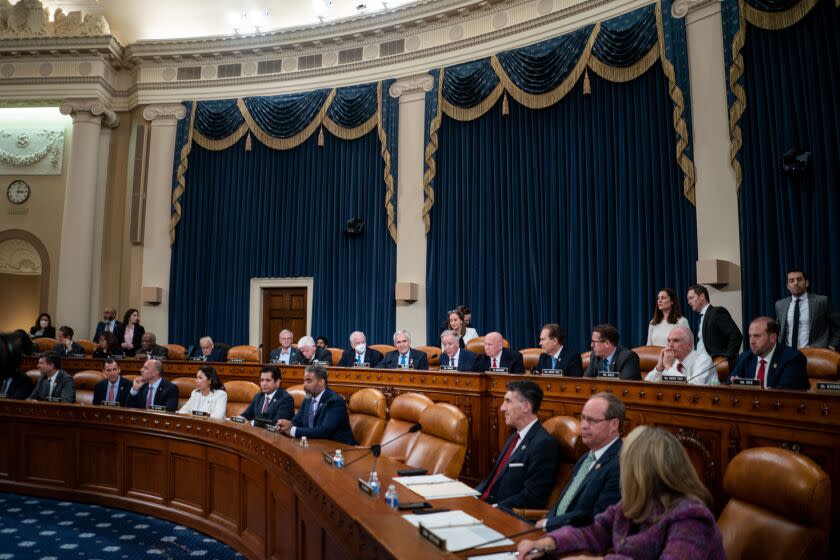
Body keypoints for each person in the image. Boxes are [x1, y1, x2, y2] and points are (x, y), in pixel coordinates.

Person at [517, 426, 724, 560]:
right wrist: (547, 543)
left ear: (643, 470)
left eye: (625, 461)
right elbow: (593, 530)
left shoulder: (690, 517)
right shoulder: (633, 503)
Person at [535, 392, 623, 532]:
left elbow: (598, 518)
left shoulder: (620, 464)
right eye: (582, 418)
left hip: (579, 542)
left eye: (591, 421)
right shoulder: (585, 458)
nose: (584, 426)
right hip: (551, 532)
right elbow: (564, 506)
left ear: (613, 424)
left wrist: (548, 525)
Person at [475, 381, 558, 509]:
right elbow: (492, 481)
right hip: (483, 506)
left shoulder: (543, 444)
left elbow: (531, 497)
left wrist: (493, 509)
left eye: (508, 401)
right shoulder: (514, 437)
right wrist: (470, 496)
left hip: (503, 516)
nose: (502, 408)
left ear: (525, 407)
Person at [276, 364, 355, 445]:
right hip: (315, 444)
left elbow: (324, 431)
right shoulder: (308, 399)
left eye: (309, 381)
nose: (305, 385)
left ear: (321, 382)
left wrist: (293, 431)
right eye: (304, 381)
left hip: (339, 449)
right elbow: (297, 420)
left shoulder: (334, 401)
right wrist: (287, 424)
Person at [731, 316, 809, 390]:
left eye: (757, 336)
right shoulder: (745, 357)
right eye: (750, 336)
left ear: (773, 338)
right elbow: (728, 386)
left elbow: (784, 395)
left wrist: (751, 389)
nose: (752, 342)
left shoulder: (793, 359)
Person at [775, 267, 840, 350]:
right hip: (787, 354)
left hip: (815, 353)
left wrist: (831, 347)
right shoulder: (780, 305)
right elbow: (778, 331)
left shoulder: (821, 301)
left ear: (806, 283)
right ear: (787, 286)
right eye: (791, 281)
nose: (795, 283)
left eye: (799, 279)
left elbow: (837, 327)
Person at [686, 284, 742, 367]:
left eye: (691, 298)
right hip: (701, 365)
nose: (689, 302)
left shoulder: (716, 312)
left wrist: (726, 359)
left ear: (702, 296)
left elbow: (736, 335)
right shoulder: (699, 318)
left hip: (717, 367)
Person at [645, 326, 718, 385]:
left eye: (676, 341)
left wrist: (669, 367)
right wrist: (659, 367)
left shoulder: (703, 359)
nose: (670, 345)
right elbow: (647, 385)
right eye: (669, 341)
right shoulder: (671, 360)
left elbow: (696, 386)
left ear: (689, 345)